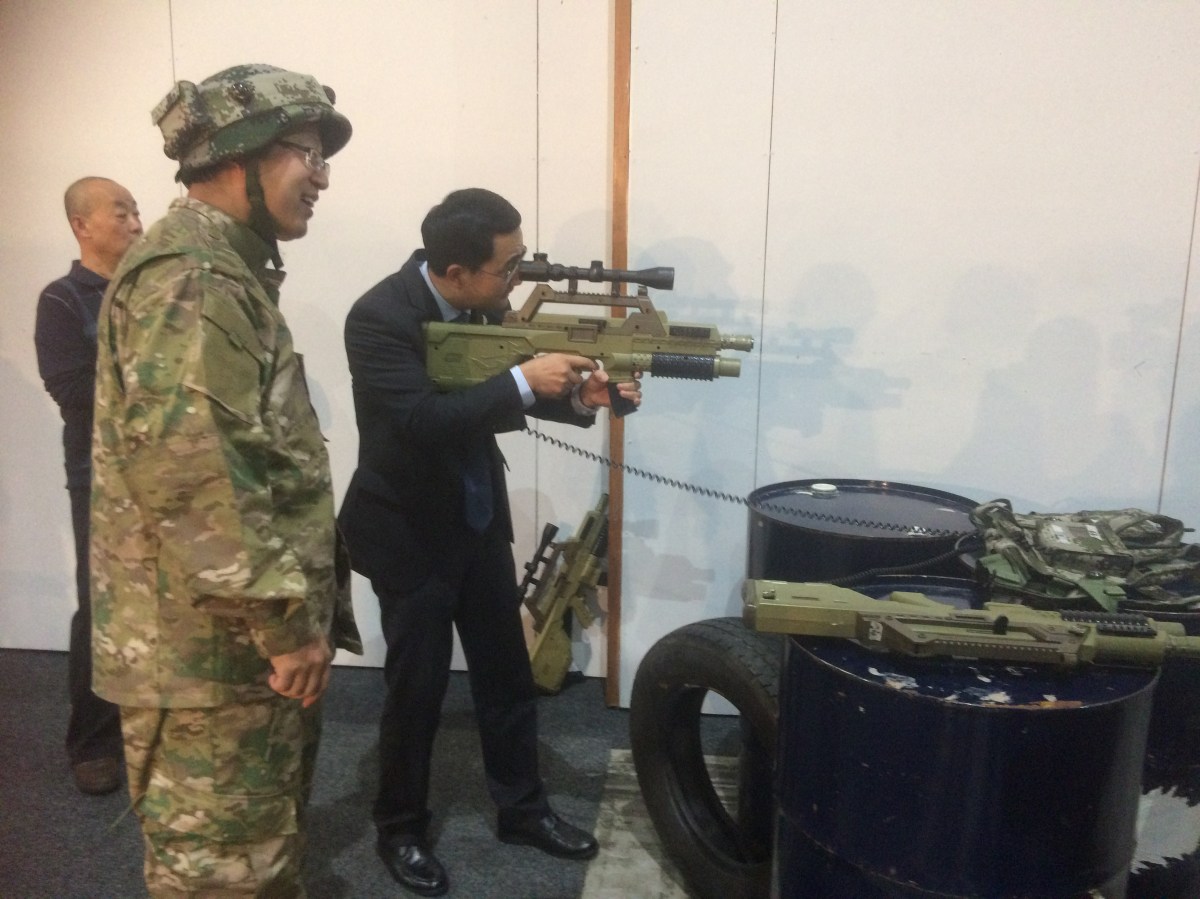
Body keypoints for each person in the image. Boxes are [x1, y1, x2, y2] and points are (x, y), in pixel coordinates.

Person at [89, 64, 361, 897]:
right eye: (307, 153)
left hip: (228, 645)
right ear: (239, 154)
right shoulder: (194, 276)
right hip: (211, 653)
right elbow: (195, 473)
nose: (321, 177)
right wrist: (283, 623)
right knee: (224, 872)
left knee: (259, 849)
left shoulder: (223, 267)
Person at [338, 187, 641, 896]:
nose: (517, 278)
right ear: (455, 272)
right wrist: (522, 380)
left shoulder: (484, 304)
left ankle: (522, 810)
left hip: (476, 522)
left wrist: (582, 398)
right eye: (508, 267)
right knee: (415, 692)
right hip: (408, 531)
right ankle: (400, 827)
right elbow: (422, 421)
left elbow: (500, 392)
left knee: (507, 678)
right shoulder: (379, 317)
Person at [34, 176, 143, 795]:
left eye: (136, 212)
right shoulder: (62, 300)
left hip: (166, 473)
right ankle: (94, 742)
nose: (135, 224)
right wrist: (155, 377)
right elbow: (73, 391)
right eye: (120, 213)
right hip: (99, 478)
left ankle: (150, 724)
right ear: (82, 225)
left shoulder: (153, 291)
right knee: (101, 608)